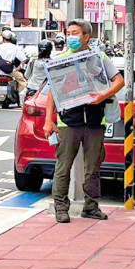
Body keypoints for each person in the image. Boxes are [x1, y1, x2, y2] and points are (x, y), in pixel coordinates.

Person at [44, 19, 125, 223]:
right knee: (63, 168)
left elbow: (119, 81)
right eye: (69, 33)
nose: (70, 36)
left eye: (75, 33)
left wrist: (103, 96)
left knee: (94, 168)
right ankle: (60, 209)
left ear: (86, 36)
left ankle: (91, 207)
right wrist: (48, 120)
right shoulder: (60, 59)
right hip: (68, 122)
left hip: (95, 121)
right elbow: (53, 93)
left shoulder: (99, 58)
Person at [0, 29, 27, 107]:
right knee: (22, 81)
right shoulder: (15, 47)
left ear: (3, 38)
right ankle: (22, 101)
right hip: (11, 71)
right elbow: (24, 59)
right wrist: (19, 67)